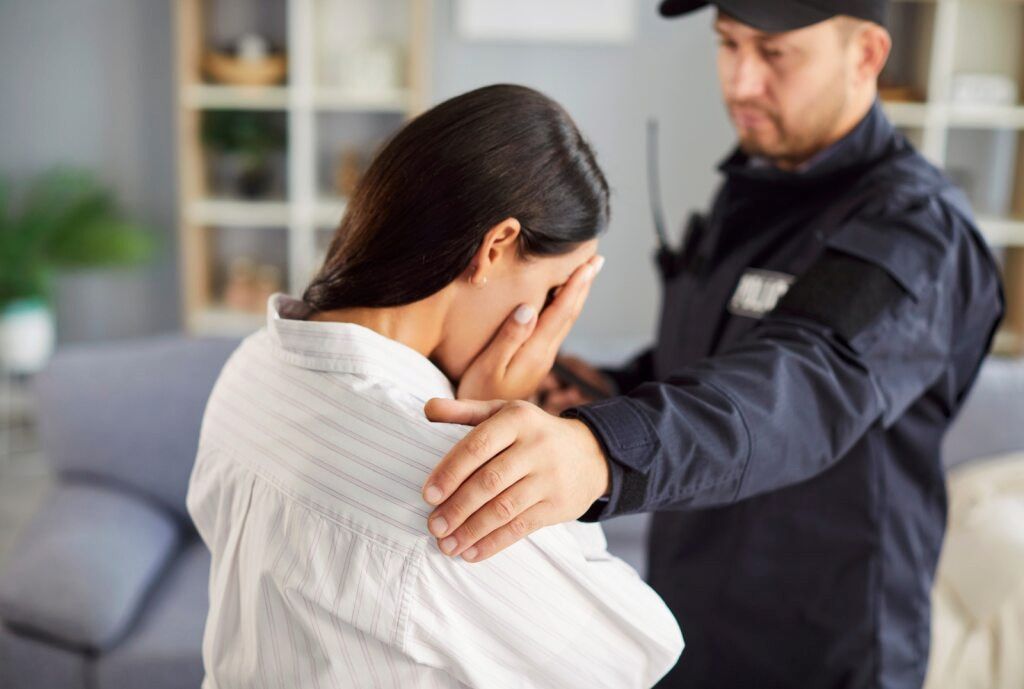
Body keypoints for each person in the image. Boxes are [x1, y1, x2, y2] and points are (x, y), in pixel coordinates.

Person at [419, 3, 1006, 688]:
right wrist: (588, 391)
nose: (740, 81)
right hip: (689, 624)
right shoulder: (754, 191)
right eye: (728, 45)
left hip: (822, 653)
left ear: (867, 54)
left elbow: (803, 382)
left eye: (775, 54)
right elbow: (704, 366)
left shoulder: (915, 229)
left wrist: (601, 448)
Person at [186, 84, 683, 689]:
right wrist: (512, 418)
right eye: (553, 294)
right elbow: (631, 656)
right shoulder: (443, 478)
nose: (550, 326)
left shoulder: (254, 364)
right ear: (495, 247)